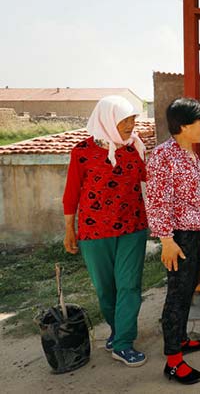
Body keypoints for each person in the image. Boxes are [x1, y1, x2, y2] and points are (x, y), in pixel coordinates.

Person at [62, 95, 148, 367]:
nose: (131, 124)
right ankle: (117, 329)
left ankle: (123, 343)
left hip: (133, 227)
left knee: (129, 286)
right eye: (125, 119)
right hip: (94, 232)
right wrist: (69, 229)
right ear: (108, 119)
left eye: (133, 118)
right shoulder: (83, 152)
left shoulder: (135, 148)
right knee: (106, 289)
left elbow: (149, 183)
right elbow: (71, 193)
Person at [146, 98, 200, 384]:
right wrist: (166, 239)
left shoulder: (188, 153)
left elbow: (199, 196)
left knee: (188, 289)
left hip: (197, 232)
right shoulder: (163, 156)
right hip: (178, 237)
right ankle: (173, 361)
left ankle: (182, 338)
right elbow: (157, 201)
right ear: (183, 125)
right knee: (177, 293)